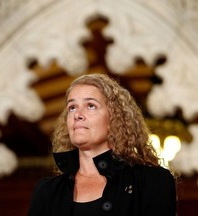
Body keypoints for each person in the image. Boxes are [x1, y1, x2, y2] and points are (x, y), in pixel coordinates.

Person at [28, 73, 177, 216]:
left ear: (114, 119)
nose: (77, 114)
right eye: (72, 107)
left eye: (91, 105)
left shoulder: (152, 182)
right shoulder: (47, 191)